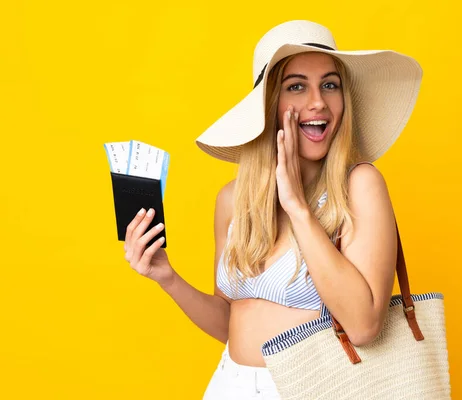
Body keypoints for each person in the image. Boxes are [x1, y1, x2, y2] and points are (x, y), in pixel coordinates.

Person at [122, 20, 422, 400]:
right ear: (267, 105)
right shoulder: (233, 200)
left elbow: (363, 325)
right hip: (229, 386)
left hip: (316, 389)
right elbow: (231, 322)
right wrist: (168, 278)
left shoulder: (358, 186)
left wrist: (297, 207)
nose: (318, 101)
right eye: (296, 86)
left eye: (330, 84)